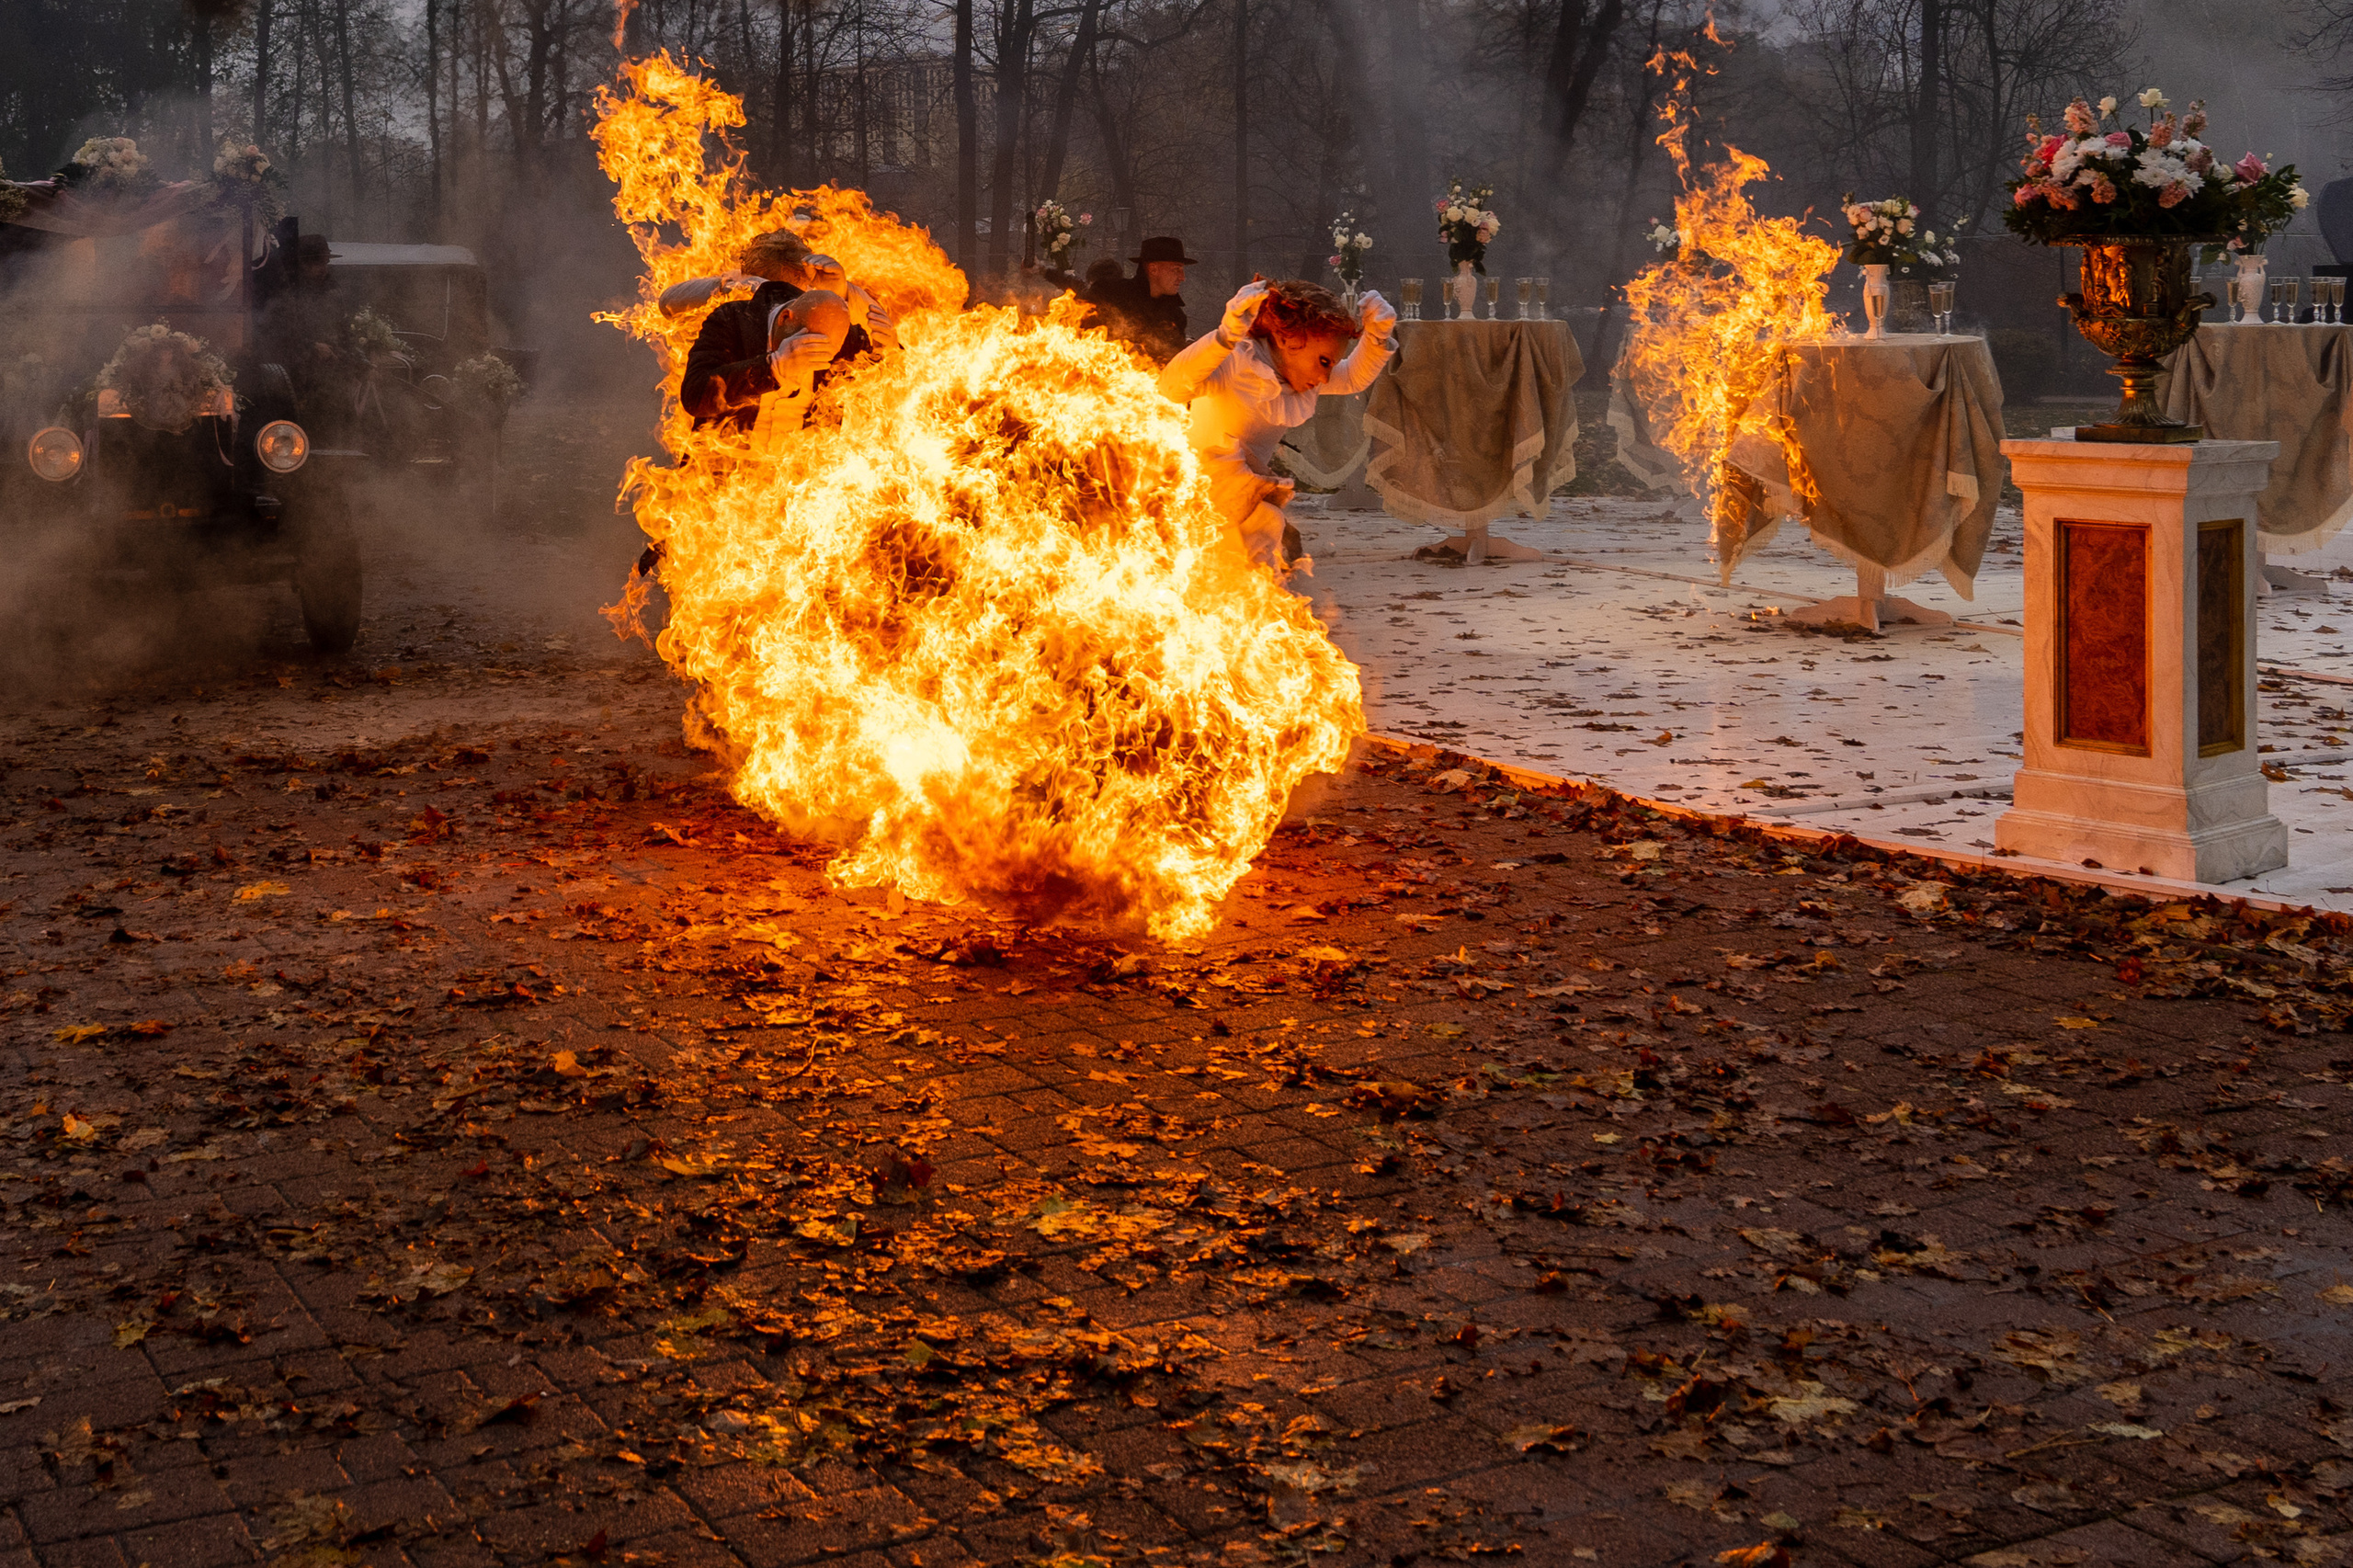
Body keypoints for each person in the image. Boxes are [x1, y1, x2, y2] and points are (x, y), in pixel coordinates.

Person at [1158, 278, 1397, 580]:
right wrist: (1223, 338)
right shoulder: (1238, 360)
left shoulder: (1299, 374)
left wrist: (1377, 336)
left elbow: (1351, 377)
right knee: (1253, 539)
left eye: (1330, 364)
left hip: (1245, 493)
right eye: (1324, 361)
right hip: (1201, 493)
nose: (1325, 376)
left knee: (1259, 556)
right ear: (1287, 340)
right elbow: (1170, 388)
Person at [1090, 235, 1195, 364]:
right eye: (1176, 269)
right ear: (1153, 269)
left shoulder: (1176, 316)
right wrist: (1121, 349)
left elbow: (1173, 362)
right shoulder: (1109, 295)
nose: (1182, 277)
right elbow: (1078, 337)